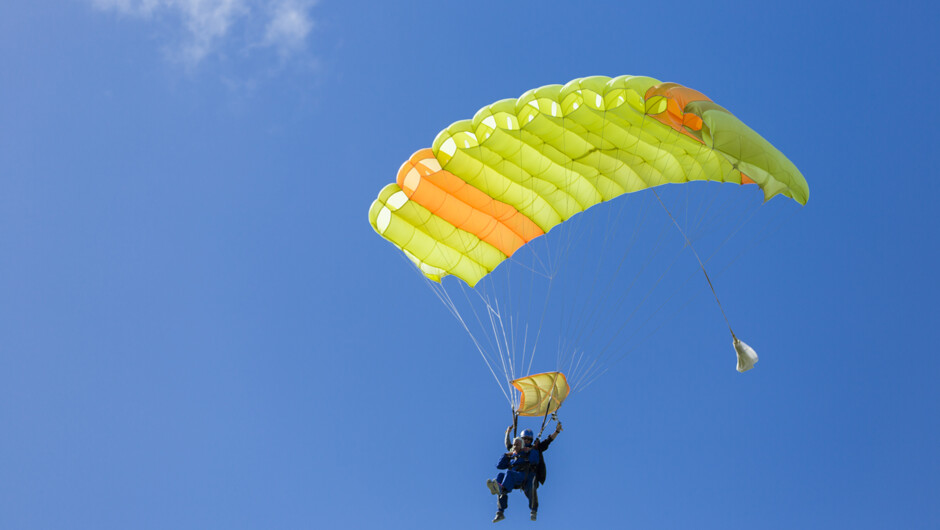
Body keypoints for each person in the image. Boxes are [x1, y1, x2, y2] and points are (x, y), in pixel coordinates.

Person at [486, 422, 564, 522]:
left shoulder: (533, 449)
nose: (526, 441)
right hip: (513, 477)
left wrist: (556, 431)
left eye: (528, 440)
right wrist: (507, 436)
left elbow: (547, 442)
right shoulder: (514, 451)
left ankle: (502, 490)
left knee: (510, 476)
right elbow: (505, 453)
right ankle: (500, 511)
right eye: (524, 439)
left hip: (525, 475)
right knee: (500, 476)